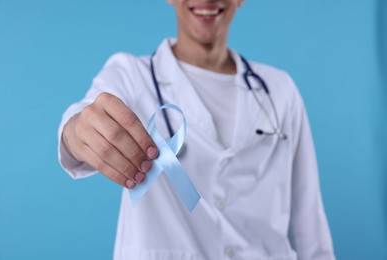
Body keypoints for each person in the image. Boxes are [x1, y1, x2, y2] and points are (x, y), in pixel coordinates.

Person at [58, 0, 336, 259]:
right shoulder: (131, 74)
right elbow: (81, 118)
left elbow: (309, 225)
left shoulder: (280, 89)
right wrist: (76, 131)